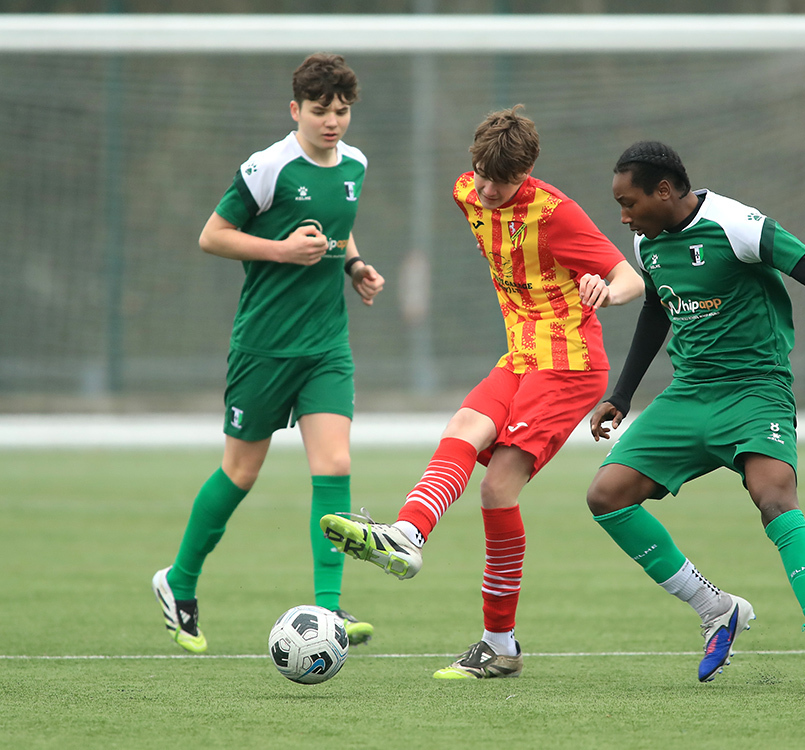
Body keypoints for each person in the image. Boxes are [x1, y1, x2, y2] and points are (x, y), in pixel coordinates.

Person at [321, 105, 644, 679]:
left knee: (496, 490)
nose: (490, 191)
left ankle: (499, 644)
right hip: (520, 356)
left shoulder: (557, 214)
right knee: (461, 430)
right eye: (483, 176)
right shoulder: (466, 191)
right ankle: (405, 535)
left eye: (505, 181)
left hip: (568, 365)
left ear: (528, 171)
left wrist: (605, 290)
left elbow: (630, 278)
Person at [586, 141, 805, 694]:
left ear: (664, 190)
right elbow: (656, 309)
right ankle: (716, 608)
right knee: (606, 496)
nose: (624, 216)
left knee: (775, 499)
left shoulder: (737, 225)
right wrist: (623, 393)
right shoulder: (647, 241)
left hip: (756, 391)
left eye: (629, 201)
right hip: (688, 396)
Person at [152, 53, 385, 654]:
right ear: (295, 111)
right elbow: (212, 236)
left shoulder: (356, 164)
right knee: (241, 472)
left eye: (341, 111)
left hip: (326, 347)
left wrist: (354, 265)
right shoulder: (267, 167)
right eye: (319, 111)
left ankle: (329, 612)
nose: (332, 122)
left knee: (333, 466)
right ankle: (179, 582)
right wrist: (282, 251)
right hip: (263, 346)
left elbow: (336, 224)